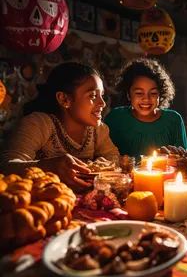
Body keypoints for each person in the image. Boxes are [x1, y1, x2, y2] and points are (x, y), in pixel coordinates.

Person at [0, 62, 119, 191]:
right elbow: (6, 166)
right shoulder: (39, 123)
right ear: (64, 99)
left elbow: (114, 160)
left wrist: (101, 164)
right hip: (44, 201)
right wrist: (48, 166)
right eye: (93, 96)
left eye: (102, 95)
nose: (102, 103)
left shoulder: (98, 130)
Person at [105, 58, 187, 160]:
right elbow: (103, 158)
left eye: (153, 93)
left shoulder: (174, 120)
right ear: (128, 95)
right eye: (139, 93)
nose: (146, 99)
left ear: (160, 94)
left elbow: (184, 159)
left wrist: (174, 158)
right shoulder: (115, 118)